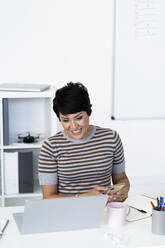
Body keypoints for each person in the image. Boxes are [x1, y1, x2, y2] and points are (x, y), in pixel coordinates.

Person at [38, 82, 130, 202]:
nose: (74, 126)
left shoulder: (111, 138)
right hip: (66, 213)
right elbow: (48, 198)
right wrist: (84, 198)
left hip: (104, 211)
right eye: (66, 120)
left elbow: (121, 179)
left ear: (88, 112)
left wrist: (123, 189)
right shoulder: (50, 147)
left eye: (79, 118)